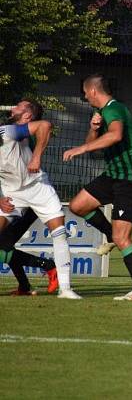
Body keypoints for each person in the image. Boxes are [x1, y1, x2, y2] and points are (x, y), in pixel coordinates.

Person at [63, 74, 132, 301]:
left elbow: (116, 135)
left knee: (123, 238)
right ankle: (109, 234)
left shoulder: (114, 108)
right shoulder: (102, 114)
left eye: (85, 93)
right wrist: (93, 129)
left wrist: (81, 148)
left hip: (130, 180)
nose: (84, 97)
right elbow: (95, 148)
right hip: (113, 176)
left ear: (93, 91)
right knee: (78, 205)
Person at [0, 100, 81, 299]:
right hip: (11, 193)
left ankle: (66, 289)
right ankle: (27, 285)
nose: (13, 107)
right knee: (3, 244)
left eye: (19, 106)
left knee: (59, 233)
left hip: (38, 188)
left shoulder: (9, 131)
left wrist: (36, 157)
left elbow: (45, 125)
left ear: (27, 116)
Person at [0, 201, 59, 296]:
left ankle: (48, 265)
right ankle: (25, 286)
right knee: (5, 247)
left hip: (17, 205)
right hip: (15, 206)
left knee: (4, 248)